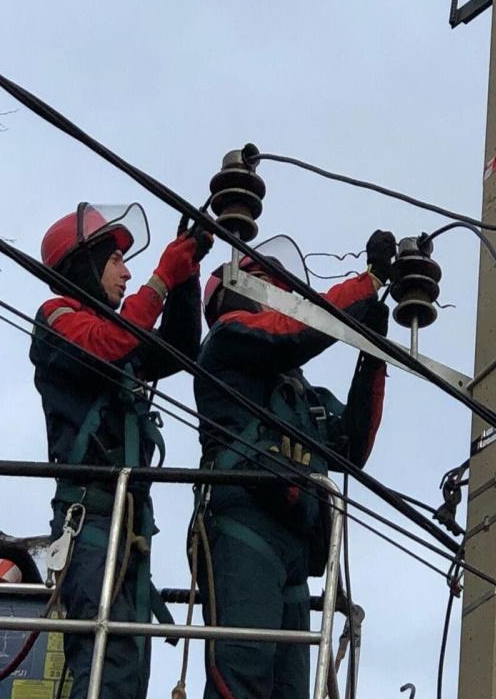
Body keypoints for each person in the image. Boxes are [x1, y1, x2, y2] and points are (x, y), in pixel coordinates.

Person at [193, 231, 396, 699]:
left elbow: (351, 447)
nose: (290, 302)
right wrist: (366, 285)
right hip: (243, 529)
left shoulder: (303, 397)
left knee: (290, 690)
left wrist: (372, 353)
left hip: (293, 552)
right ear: (245, 290)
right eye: (278, 290)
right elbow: (291, 334)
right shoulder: (228, 342)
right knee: (239, 676)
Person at [30, 202, 211, 699]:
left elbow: (178, 345)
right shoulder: (59, 319)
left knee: (128, 666)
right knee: (101, 660)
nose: (127, 273)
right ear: (84, 265)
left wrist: (187, 270)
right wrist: (162, 276)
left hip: (127, 526)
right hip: (88, 521)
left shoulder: (117, 335)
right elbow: (106, 345)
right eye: (115, 261)